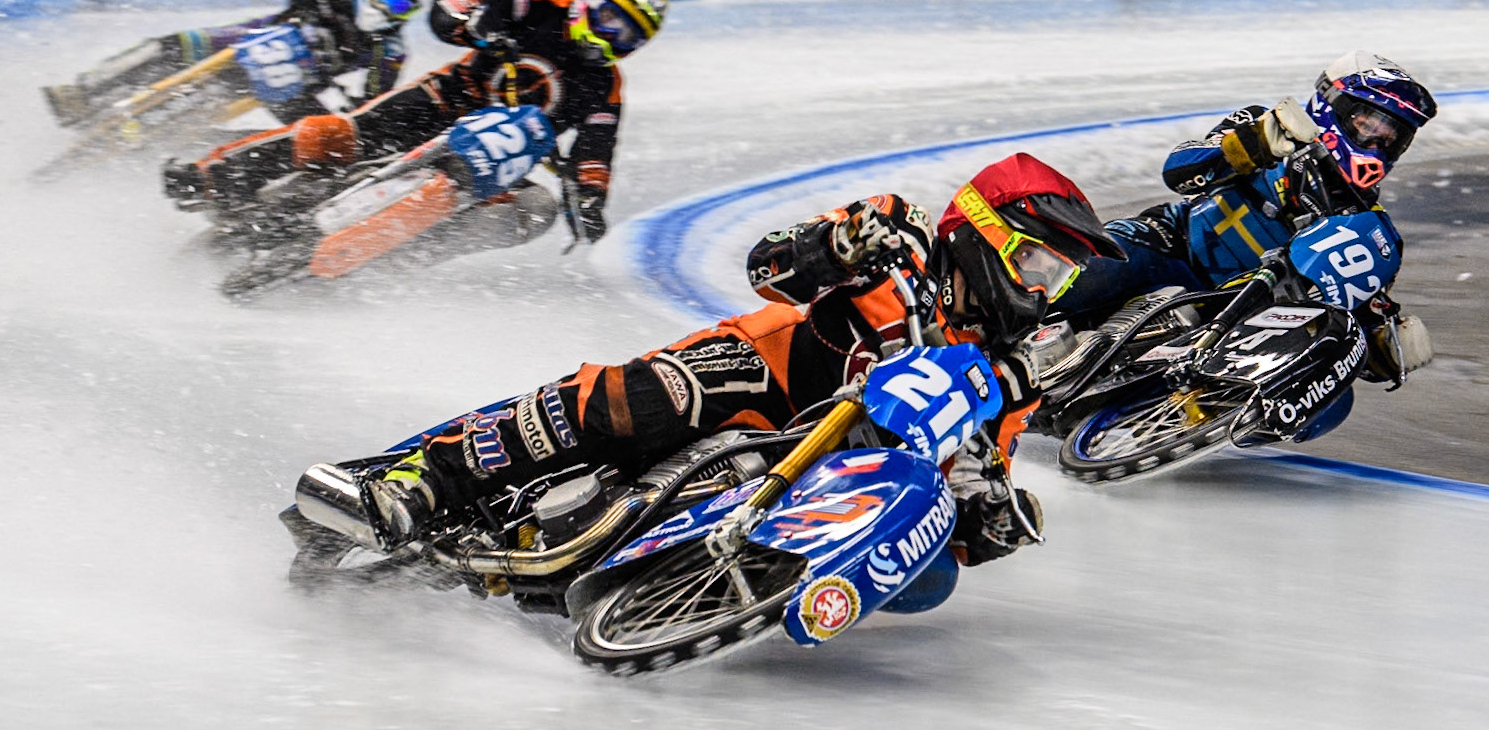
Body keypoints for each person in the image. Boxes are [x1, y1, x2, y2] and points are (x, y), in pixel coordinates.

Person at [361, 151, 1127, 564]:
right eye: (1035, 267)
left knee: (923, 573)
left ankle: (711, 580)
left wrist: (985, 514)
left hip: (831, 469)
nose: (1040, 292)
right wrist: (837, 243)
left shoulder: (1005, 372)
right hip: (761, 372)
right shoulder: (906, 236)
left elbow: (975, 482)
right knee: (645, 397)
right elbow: (769, 267)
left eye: (1056, 279)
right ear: (984, 233)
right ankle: (428, 475)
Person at [162, 0, 668, 245]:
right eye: (607, 17)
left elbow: (597, 148)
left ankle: (406, 255)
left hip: (495, 157)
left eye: (625, 34)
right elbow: (454, 4)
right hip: (439, 103)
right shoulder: (535, 2)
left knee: (532, 212)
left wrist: (590, 198)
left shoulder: (606, 87)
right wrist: (472, 24)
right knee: (334, 135)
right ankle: (212, 177)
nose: (608, 36)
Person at [1051, 51, 1438, 390]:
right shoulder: (1266, 126)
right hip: (1172, 244)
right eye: (1368, 125)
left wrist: (1384, 347)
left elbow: (1345, 322)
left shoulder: (1369, 230)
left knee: (1331, 402)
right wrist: (1253, 145)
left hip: (1233, 321)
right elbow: (1178, 170)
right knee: (1091, 270)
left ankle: (1174, 421)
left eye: (1390, 137)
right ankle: (1003, 323)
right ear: (1332, 105)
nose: (1376, 143)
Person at [43, 0, 433, 127]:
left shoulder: (392, 48)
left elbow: (375, 103)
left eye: (400, 5)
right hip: (257, 38)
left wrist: (355, 113)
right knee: (174, 45)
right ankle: (84, 92)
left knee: (317, 141)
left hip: (298, 87)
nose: (385, 7)